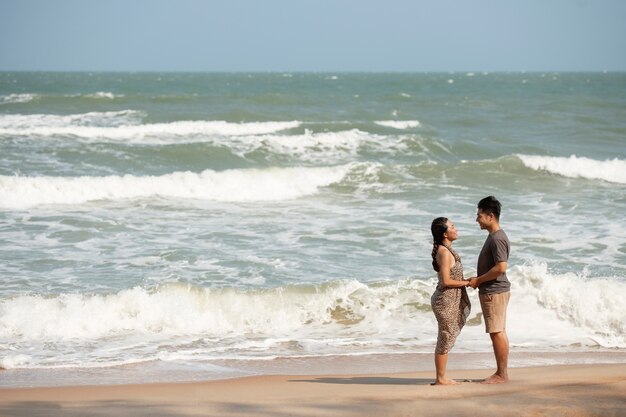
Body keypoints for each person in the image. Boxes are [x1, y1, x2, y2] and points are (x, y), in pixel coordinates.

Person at [469, 196, 511, 384]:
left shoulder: (497, 238)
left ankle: (501, 374)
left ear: (490, 216)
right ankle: (502, 372)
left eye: (479, 215)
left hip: (494, 291)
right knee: (499, 330)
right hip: (494, 290)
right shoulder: (495, 236)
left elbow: (501, 267)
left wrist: (479, 280)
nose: (477, 219)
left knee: (497, 332)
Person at [430, 217, 471, 385]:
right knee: (445, 337)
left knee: (446, 336)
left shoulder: (447, 250)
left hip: (450, 299)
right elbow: (446, 281)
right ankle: (440, 378)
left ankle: (442, 376)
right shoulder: (444, 252)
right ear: (445, 234)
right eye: (453, 227)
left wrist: (466, 281)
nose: (456, 229)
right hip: (445, 301)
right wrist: (468, 282)